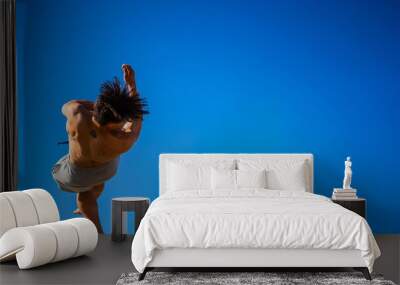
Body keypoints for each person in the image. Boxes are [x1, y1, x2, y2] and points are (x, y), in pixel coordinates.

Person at [52, 64, 148, 233]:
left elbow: (67, 105)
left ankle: (94, 225)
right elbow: (136, 112)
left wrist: (97, 105)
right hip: (107, 170)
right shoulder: (126, 137)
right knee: (92, 188)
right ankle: (92, 219)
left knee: (86, 191)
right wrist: (131, 85)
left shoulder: (78, 116)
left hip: (74, 175)